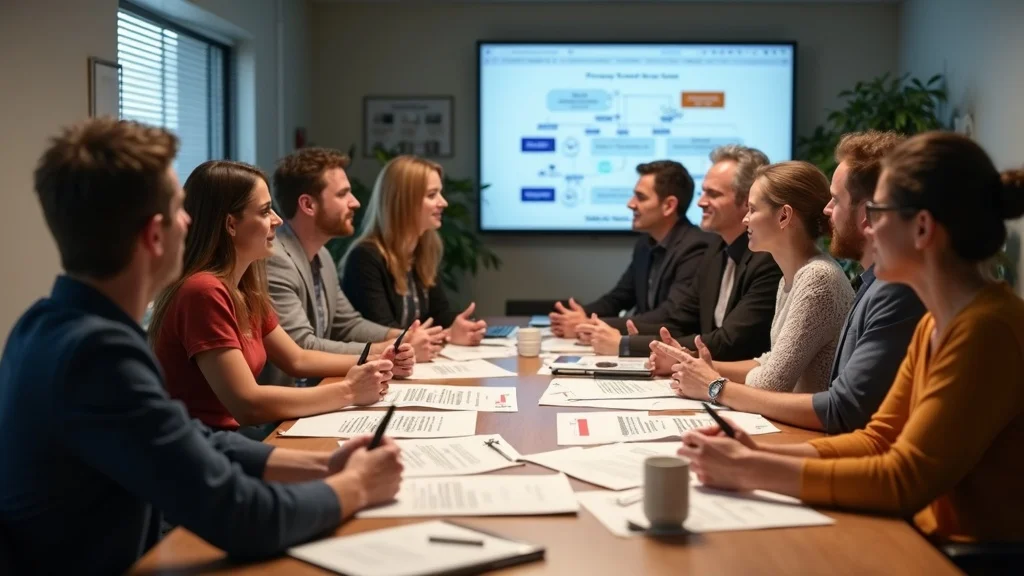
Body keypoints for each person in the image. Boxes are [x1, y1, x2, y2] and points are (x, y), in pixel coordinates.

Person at [0, 119, 403, 575]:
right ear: (154, 235)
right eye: (179, 209)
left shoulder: (46, 323)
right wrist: (355, 487)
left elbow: (195, 439)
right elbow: (239, 515)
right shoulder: (98, 355)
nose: (191, 221)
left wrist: (323, 466)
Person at [679, 132, 1024, 544]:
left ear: (922, 228)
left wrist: (748, 469)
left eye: (877, 213)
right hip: (918, 535)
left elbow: (903, 478)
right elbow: (877, 438)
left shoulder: (986, 329)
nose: (868, 228)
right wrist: (754, 451)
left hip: (956, 555)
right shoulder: (936, 323)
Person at [666, 132, 925, 433]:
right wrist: (699, 367)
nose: (827, 211)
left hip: (816, 433)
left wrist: (714, 385)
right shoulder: (825, 279)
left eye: (836, 200)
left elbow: (788, 389)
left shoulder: (828, 280)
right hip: (811, 430)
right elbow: (772, 362)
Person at [149, 160, 415, 432]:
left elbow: (297, 358)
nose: (277, 220)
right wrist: (348, 392)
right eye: (265, 211)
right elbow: (248, 404)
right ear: (231, 224)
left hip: (229, 441)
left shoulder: (244, 287)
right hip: (204, 448)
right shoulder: (204, 291)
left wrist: (377, 359)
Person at [577, 145, 781, 361]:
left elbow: (728, 341)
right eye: (703, 191)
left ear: (747, 201)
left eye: (713, 194)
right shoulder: (716, 250)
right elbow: (679, 320)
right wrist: (616, 334)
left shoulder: (767, 259)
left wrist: (626, 344)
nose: (700, 202)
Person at [666, 161, 854, 394]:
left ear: (784, 216)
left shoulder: (817, 278)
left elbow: (771, 383)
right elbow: (769, 362)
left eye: (753, 210)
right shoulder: (794, 276)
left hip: (808, 429)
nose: (745, 219)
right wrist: (697, 364)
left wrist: (710, 381)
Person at [261, 147, 445, 387]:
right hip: (283, 411)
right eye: (343, 194)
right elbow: (302, 346)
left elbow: (348, 324)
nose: (355, 202)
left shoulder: (323, 256)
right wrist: (386, 350)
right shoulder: (275, 259)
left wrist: (401, 337)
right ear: (308, 204)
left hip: (320, 392)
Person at [548, 160, 712, 335]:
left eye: (640, 197)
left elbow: (669, 316)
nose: (630, 204)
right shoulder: (645, 244)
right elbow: (618, 298)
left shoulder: (695, 247)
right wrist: (577, 316)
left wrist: (589, 324)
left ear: (669, 206)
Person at [342, 155, 487, 345]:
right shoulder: (364, 258)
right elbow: (382, 330)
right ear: (404, 202)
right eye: (432, 195)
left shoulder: (424, 250)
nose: (443, 203)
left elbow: (438, 314)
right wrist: (443, 336)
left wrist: (458, 327)